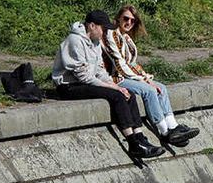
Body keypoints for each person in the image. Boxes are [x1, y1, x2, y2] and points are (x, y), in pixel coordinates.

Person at [51, 11, 164, 159]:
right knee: (116, 96)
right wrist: (113, 87)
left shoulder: (95, 42)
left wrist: (113, 84)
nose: (104, 32)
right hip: (69, 86)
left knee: (129, 94)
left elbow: (99, 70)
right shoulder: (75, 41)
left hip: (85, 82)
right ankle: (133, 144)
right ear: (92, 26)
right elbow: (84, 76)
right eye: (103, 29)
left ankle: (140, 138)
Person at [103, 5, 199, 148]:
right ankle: (165, 132)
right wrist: (144, 81)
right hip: (118, 78)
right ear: (118, 18)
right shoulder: (112, 35)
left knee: (161, 88)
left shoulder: (127, 38)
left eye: (133, 21)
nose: (129, 23)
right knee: (149, 91)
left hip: (129, 76)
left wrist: (146, 78)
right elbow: (120, 65)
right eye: (126, 19)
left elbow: (132, 63)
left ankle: (173, 126)